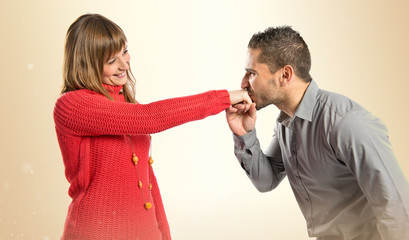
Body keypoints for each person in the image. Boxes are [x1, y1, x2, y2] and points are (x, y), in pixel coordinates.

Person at [53, 13, 251, 240]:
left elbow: (147, 181)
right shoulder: (72, 105)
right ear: (86, 64)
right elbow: (150, 118)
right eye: (111, 61)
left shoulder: (128, 104)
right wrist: (224, 97)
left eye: (124, 51)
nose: (124, 64)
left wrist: (163, 234)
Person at [226, 26, 409, 240]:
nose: (243, 83)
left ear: (285, 75)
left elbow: (397, 208)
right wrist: (244, 133)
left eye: (252, 72)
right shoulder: (287, 123)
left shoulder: (346, 122)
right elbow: (266, 180)